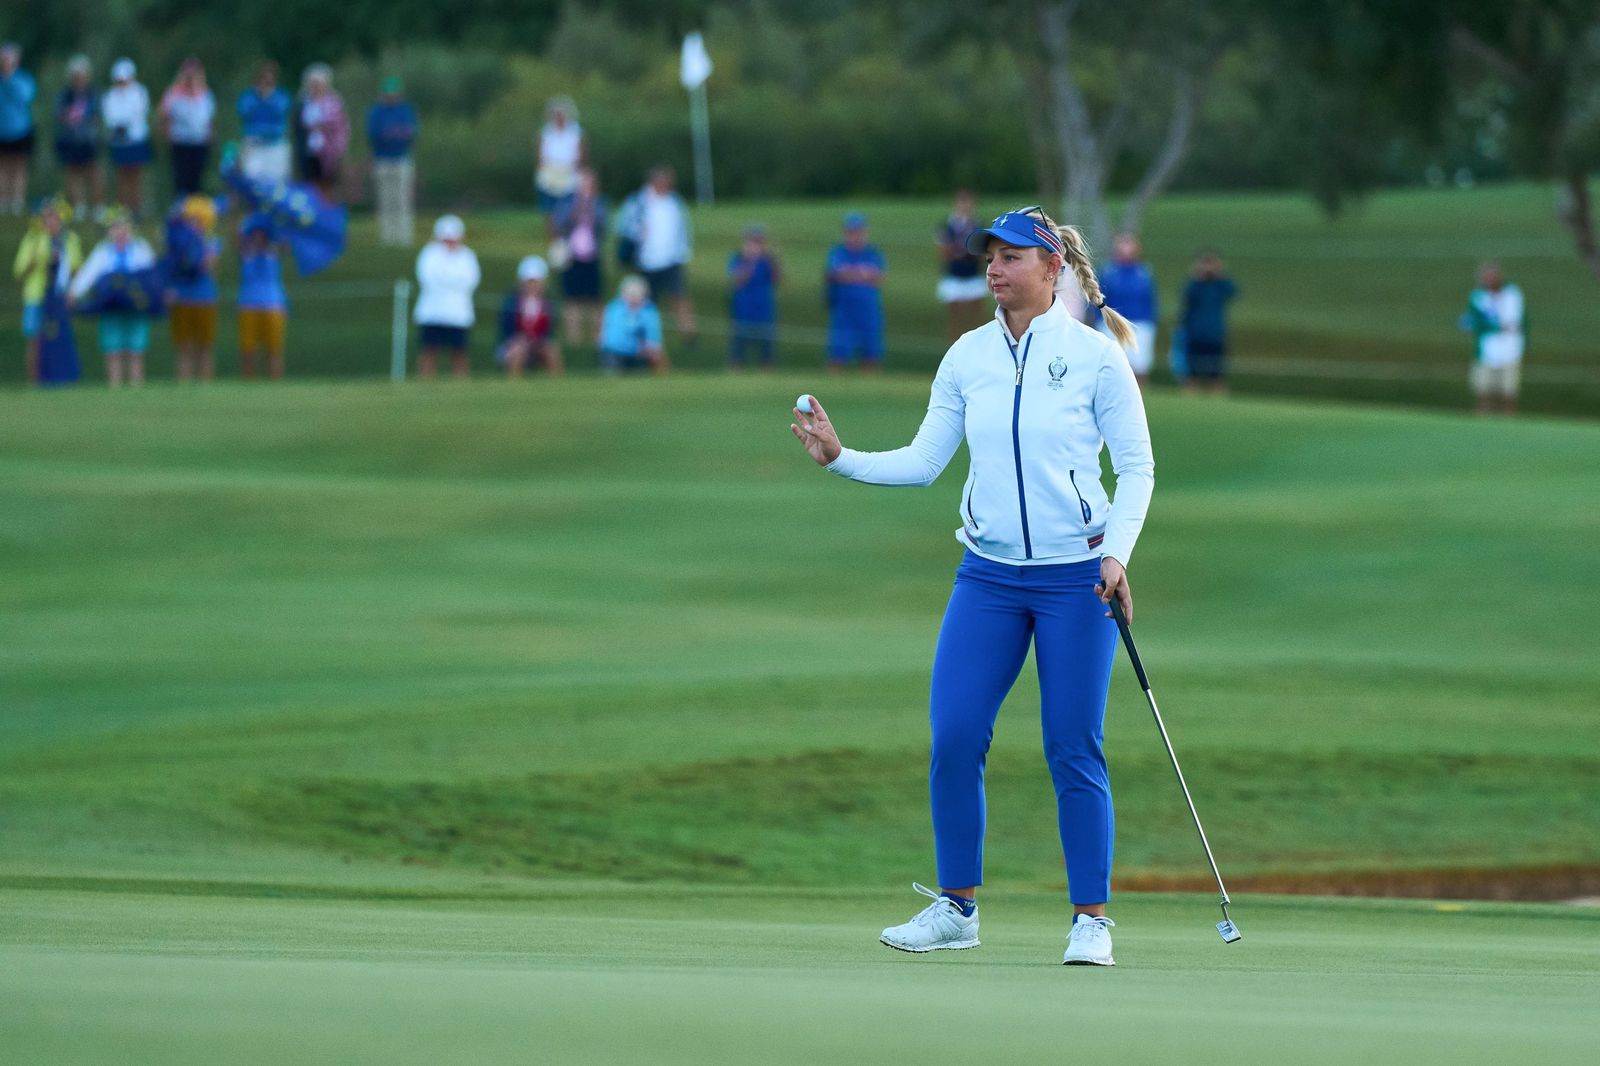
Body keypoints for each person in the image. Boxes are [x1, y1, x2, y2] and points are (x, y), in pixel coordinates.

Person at [789, 205, 1153, 968]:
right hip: (987, 577)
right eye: (988, 256)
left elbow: (1136, 467)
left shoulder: (1094, 357)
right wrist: (841, 457)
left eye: (1011, 256)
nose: (994, 267)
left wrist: (1116, 555)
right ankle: (957, 909)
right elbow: (925, 462)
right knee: (955, 736)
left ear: (1052, 268)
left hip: (1075, 579)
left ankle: (1091, 920)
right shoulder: (967, 356)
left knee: (1072, 745)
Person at [68, 208, 161, 387]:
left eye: (124, 227)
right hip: (111, 306)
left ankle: (136, 387)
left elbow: (152, 276)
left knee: (136, 349)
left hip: (135, 307)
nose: (120, 232)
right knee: (113, 350)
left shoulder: (141, 249)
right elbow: (89, 273)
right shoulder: (103, 252)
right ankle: (115, 386)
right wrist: (74, 292)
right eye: (116, 228)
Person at [13, 197, 83, 383]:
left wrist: (72, 290)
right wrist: (37, 260)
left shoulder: (69, 240)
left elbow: (77, 269)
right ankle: (35, 380)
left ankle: (61, 376)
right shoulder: (33, 239)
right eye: (47, 217)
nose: (51, 221)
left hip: (59, 296)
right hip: (36, 295)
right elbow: (19, 271)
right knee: (35, 339)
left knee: (60, 336)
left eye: (54, 217)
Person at [625, 164, 695, 344]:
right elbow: (626, 226)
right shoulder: (639, 201)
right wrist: (639, 232)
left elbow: (683, 227)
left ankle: (689, 335)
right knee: (647, 300)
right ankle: (645, 336)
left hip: (672, 259)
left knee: (679, 296)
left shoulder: (675, 201)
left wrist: (684, 250)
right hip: (647, 260)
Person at [414, 214, 480, 379]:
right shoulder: (429, 254)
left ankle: (460, 383)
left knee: (459, 350)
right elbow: (428, 279)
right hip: (433, 311)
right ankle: (425, 381)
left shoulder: (467, 256)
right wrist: (453, 282)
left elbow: (471, 281)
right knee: (430, 349)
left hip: (458, 312)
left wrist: (446, 280)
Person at [164, 195, 221, 382]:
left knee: (205, 345)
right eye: (191, 219)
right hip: (182, 296)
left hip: (204, 297)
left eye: (198, 219)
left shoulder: (211, 241)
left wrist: (198, 247)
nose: (195, 223)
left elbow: (208, 267)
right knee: (183, 346)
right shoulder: (177, 240)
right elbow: (171, 266)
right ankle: (184, 383)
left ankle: (205, 383)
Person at [825, 212, 887, 372]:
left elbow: (878, 277)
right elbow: (836, 274)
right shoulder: (838, 252)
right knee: (839, 350)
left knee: (871, 350)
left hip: (868, 308)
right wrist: (863, 274)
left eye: (858, 231)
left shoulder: (872, 253)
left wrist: (851, 274)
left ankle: (870, 379)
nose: (855, 236)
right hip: (845, 308)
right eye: (851, 232)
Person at [551, 167, 606, 345]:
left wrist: (589, 207)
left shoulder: (599, 203)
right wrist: (577, 209)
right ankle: (574, 339)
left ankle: (597, 338)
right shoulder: (567, 203)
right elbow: (559, 224)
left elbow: (603, 225)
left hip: (592, 255)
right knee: (571, 298)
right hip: (571, 255)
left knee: (595, 299)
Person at [1462, 260, 1525, 416]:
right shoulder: (1478, 297)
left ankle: (1508, 421)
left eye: (1492, 276)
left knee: (1508, 391)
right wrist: (1496, 327)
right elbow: (1474, 322)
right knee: (1483, 390)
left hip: (1510, 349)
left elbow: (1521, 320)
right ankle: (1482, 419)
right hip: (1487, 351)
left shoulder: (1512, 293)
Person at [1096, 233, 1157, 386]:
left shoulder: (1144, 272)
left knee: (1139, 365)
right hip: (1113, 324)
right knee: (1112, 365)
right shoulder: (1108, 271)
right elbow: (1098, 298)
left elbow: (1150, 300)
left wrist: (1149, 322)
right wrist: (1101, 321)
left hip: (1139, 324)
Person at [237, 213, 289, 380]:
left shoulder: (273, 253)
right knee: (248, 350)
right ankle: (248, 382)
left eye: (261, 235)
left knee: (274, 349)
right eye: (255, 235)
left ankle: (275, 381)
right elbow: (236, 237)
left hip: (273, 304)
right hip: (248, 304)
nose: (258, 238)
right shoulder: (247, 254)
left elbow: (286, 243)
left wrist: (282, 216)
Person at [366, 77, 418, 246]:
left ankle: (403, 237)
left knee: (403, 200)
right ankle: (387, 238)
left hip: (402, 159)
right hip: (382, 160)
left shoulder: (406, 110)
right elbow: (375, 133)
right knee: (385, 200)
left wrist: (392, 133)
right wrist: (394, 133)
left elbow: (410, 132)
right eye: (388, 94)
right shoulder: (376, 111)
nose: (391, 97)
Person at [1178, 249, 1236, 395]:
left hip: (1215, 335)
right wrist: (1198, 276)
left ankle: (1217, 398)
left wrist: (1220, 275)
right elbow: (1186, 295)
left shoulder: (1219, 285)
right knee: (1191, 373)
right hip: (1195, 334)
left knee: (1216, 375)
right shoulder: (1195, 285)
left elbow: (1233, 291)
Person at [497, 255, 563, 377]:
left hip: (538, 344)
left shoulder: (548, 303)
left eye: (536, 282)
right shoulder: (511, 301)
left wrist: (538, 342)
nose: (532, 285)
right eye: (529, 282)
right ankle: (514, 384)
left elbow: (550, 331)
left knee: (552, 350)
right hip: (514, 344)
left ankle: (557, 383)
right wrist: (519, 340)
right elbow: (506, 332)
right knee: (518, 349)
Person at [158, 58, 215, 198]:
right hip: (180, 141)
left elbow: (209, 119)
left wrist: (210, 137)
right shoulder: (173, 94)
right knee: (181, 176)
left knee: (197, 177)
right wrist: (168, 136)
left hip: (200, 141)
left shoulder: (205, 94)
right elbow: (165, 116)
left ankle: (195, 206)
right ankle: (181, 204)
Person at [936, 190, 988, 342]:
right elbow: (942, 252)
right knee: (955, 318)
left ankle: (977, 346)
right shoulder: (946, 226)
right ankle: (955, 347)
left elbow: (983, 251)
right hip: (954, 275)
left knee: (976, 318)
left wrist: (967, 253)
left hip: (973, 275)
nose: (964, 206)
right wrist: (959, 252)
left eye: (967, 202)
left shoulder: (978, 225)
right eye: (961, 202)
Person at [101, 59, 151, 217]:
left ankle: (136, 209)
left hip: (135, 138)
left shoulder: (139, 92)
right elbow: (110, 116)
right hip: (119, 140)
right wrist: (120, 124)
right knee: (121, 176)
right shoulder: (110, 95)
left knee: (135, 176)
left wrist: (122, 123)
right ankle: (122, 209)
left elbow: (138, 114)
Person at [54, 55, 101, 218]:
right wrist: (69, 116)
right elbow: (59, 115)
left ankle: (97, 206)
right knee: (72, 173)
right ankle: (78, 206)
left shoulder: (93, 94)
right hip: (70, 138)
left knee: (93, 172)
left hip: (88, 138)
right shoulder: (65, 95)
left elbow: (96, 116)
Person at [727, 224, 780, 370]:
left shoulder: (767, 260)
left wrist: (773, 260)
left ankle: (767, 367)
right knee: (739, 340)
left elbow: (777, 279)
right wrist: (750, 260)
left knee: (766, 340)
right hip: (743, 306)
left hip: (763, 306)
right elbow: (739, 279)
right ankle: (736, 366)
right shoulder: (739, 258)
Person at [598, 274, 666, 375]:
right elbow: (613, 336)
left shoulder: (649, 310)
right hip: (614, 351)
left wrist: (652, 347)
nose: (633, 298)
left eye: (636, 294)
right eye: (630, 294)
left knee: (641, 374)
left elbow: (653, 335)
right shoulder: (615, 307)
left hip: (638, 353)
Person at [297, 64, 347, 200]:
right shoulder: (304, 102)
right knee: (310, 183)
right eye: (313, 84)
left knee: (327, 182)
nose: (315, 87)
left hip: (328, 150)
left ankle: (327, 209)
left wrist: (320, 126)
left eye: (318, 83)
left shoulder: (334, 102)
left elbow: (338, 124)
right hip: (309, 149)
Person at [237, 62, 292, 183]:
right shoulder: (248, 96)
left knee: (276, 180)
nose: (266, 84)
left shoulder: (281, 96)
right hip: (253, 144)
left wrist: (267, 99)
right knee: (251, 179)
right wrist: (260, 97)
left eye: (269, 81)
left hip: (275, 144)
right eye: (263, 80)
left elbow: (280, 111)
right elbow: (245, 111)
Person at [535, 97, 584, 225]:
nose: (558, 117)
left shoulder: (575, 132)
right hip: (550, 173)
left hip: (569, 174)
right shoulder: (546, 132)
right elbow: (540, 156)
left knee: (569, 207)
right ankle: (554, 236)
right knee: (549, 209)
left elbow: (581, 155)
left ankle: (567, 233)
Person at [0, 43, 35, 215]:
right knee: (3, 167)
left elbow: (26, 97)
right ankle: (3, 200)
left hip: (21, 129)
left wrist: (10, 79)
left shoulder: (23, 78)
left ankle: (17, 200)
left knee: (20, 166)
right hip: (2, 129)